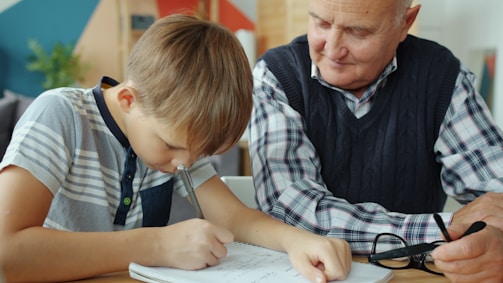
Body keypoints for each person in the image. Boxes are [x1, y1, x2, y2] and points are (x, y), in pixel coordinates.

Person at [0, 14, 352, 283]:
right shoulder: (59, 115)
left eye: (198, 155)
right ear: (127, 99)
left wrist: (298, 241)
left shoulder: (178, 149)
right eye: (172, 146)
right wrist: (157, 245)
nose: (184, 164)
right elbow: (7, 252)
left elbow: (234, 217)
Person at [248, 0, 503, 281]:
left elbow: (496, 199)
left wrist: (494, 239)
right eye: (321, 22)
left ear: (405, 22)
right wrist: (444, 227)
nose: (332, 49)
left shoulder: (443, 77)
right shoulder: (277, 75)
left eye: (358, 31)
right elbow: (293, 210)